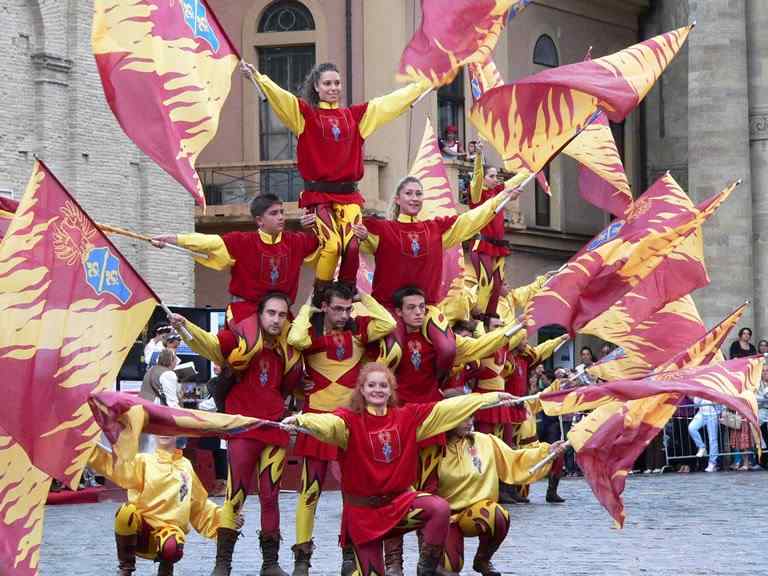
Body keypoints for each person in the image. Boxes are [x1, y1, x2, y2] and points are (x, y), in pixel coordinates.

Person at [281, 363, 519, 576]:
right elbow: (329, 423)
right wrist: (302, 421)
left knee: (438, 508)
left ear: (391, 389)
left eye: (383, 385)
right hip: (364, 516)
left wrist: (491, 398)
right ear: (361, 390)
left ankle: (427, 569)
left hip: (400, 507)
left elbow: (446, 409)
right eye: (371, 385)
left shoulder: (407, 417)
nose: (377, 389)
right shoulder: (349, 420)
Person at [245, 62, 429, 295]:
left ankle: (346, 293)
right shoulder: (306, 115)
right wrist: (259, 78)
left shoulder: (355, 117)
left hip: (349, 196)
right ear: (316, 87)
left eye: (337, 83)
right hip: (319, 196)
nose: (333, 88)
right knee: (332, 246)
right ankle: (321, 295)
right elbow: (282, 99)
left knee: (352, 246)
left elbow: (389, 103)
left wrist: (421, 85)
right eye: (327, 83)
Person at [170, 293, 303, 576]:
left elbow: (295, 386)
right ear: (260, 314)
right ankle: (223, 563)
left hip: (274, 429)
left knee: (271, 496)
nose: (277, 319)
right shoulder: (240, 344)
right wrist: (184, 327)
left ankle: (270, 564)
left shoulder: (289, 351)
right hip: (243, 428)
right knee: (236, 495)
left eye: (282, 314)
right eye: (271, 313)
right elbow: (209, 345)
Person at [360, 176, 518, 383]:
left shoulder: (435, 229)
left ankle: (437, 385)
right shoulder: (382, 229)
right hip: (390, 309)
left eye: (418, 193)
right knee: (392, 352)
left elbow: (470, 220)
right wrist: (359, 234)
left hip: (427, 307)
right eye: (409, 193)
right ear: (397, 199)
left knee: (447, 349)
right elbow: (347, 234)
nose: (414, 198)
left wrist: (500, 199)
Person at [286, 283, 396, 574]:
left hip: (350, 423)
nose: (345, 314)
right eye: (338, 308)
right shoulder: (310, 331)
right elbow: (294, 338)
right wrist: (308, 305)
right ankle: (302, 557)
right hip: (317, 421)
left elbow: (389, 323)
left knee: (353, 493)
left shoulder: (359, 328)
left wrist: (364, 297)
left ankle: (350, 552)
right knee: (310, 491)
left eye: (349, 308)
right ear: (325, 306)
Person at [152, 194, 319, 370]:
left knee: (295, 362)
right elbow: (208, 242)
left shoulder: (296, 241)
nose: (281, 217)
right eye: (274, 213)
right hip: (245, 312)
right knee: (247, 348)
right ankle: (227, 376)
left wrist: (318, 224)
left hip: (280, 315)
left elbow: (327, 243)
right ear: (259, 220)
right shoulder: (242, 241)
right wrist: (172, 239)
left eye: (282, 212)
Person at [89, 435, 242, 576]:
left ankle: (166, 569)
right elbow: (116, 466)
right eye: (160, 427)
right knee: (126, 513)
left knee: (172, 546)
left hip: (167, 536)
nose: (164, 432)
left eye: (169, 428)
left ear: (178, 434)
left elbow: (200, 505)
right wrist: (89, 448)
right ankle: (125, 568)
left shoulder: (186, 467)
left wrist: (226, 518)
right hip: (140, 532)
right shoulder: (143, 461)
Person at [437, 416, 567, 575]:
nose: (470, 421)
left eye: (471, 416)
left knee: (498, 516)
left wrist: (547, 452)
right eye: (462, 418)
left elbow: (514, 459)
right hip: (444, 519)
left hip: (475, 512)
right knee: (449, 569)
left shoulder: (485, 441)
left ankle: (483, 560)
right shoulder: (433, 447)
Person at [466, 142, 524, 317]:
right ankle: (479, 316)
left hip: (498, 246)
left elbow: (516, 181)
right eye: (491, 176)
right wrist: (478, 156)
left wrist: (532, 168)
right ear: (484, 178)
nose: (496, 179)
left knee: (497, 285)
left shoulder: (498, 192)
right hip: (482, 244)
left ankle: (490, 317)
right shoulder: (477, 195)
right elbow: (476, 178)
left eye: (497, 176)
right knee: (486, 283)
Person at [688, 397, 720, 472]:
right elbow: (696, 404)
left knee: (713, 439)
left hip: (713, 414)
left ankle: (712, 463)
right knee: (691, 428)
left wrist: (720, 410)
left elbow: (721, 399)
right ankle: (702, 447)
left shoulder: (715, 386)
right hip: (701, 413)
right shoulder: (701, 387)